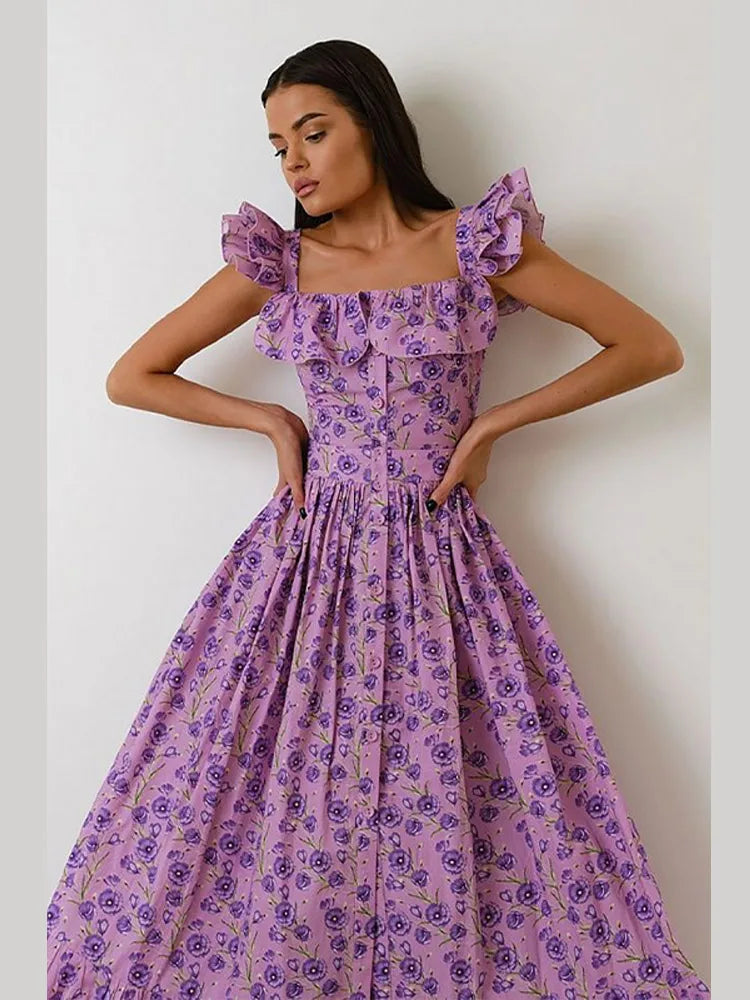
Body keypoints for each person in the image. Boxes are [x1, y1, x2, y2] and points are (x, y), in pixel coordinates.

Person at [47, 38, 709, 1000]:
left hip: (441, 557)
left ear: (376, 127)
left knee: (468, 786)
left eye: (314, 132)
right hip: (306, 563)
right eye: (278, 146)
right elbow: (131, 376)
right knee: (266, 791)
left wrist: (493, 425)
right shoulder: (285, 262)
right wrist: (268, 418)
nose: (295, 163)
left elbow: (648, 345)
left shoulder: (477, 244)